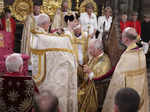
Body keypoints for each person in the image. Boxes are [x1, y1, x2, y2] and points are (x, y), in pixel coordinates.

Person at [30, 14, 77, 112]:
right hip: (46, 76)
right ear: (45, 24)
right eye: (49, 23)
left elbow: (49, 38)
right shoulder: (39, 36)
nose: (50, 25)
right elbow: (58, 42)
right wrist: (68, 32)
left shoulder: (38, 33)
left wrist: (57, 33)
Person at [102, 27, 149, 112]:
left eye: (122, 36)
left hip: (127, 101)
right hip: (139, 97)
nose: (121, 38)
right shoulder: (141, 53)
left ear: (126, 39)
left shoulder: (127, 57)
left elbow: (117, 82)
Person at [78, 39, 111, 112]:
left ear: (98, 49)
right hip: (87, 85)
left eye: (91, 48)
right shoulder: (94, 57)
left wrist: (89, 72)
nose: (89, 50)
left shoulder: (104, 61)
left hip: (95, 90)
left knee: (77, 97)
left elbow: (99, 78)